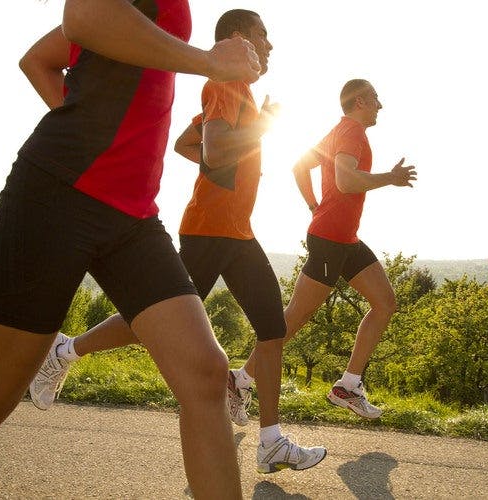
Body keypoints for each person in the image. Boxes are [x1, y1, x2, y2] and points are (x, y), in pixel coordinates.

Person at [0, 1, 261, 498]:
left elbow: (47, 53)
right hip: (59, 196)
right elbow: (82, 17)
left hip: (133, 215)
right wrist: (208, 61)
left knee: (205, 374)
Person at [28, 9, 327, 475]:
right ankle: (65, 350)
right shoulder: (225, 85)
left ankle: (271, 441)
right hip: (209, 230)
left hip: (237, 231)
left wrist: (234, 150)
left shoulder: (238, 93)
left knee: (272, 329)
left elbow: (188, 145)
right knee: (147, 321)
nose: (269, 45)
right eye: (262, 35)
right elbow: (214, 148)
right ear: (237, 38)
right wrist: (263, 126)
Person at [232, 79, 417, 420]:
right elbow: (346, 181)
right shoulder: (351, 132)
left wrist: (315, 204)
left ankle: (348, 385)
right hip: (331, 240)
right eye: (375, 98)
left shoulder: (340, 131)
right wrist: (388, 178)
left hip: (344, 238)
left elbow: (300, 166)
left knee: (385, 302)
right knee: (293, 320)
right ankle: (240, 381)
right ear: (360, 100)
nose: (380, 105)